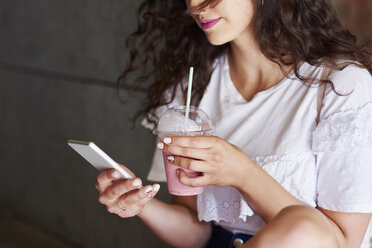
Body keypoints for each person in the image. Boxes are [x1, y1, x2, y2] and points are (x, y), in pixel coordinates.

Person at [95, 0, 372, 247]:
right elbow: (199, 234)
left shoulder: (342, 86)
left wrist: (242, 173)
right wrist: (140, 204)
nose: (195, 5)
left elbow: (341, 242)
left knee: (301, 232)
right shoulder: (192, 90)